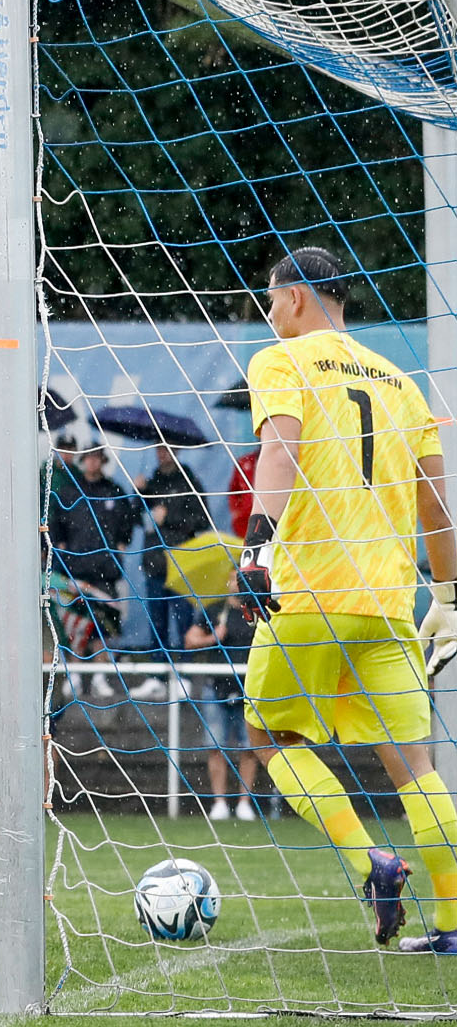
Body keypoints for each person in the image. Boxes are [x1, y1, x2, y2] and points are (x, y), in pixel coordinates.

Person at [230, 246, 457, 952]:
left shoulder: (282, 360)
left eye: (270, 303)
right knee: (414, 764)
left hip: (307, 593)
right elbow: (436, 508)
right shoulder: (401, 381)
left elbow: (281, 451)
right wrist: (448, 598)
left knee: (268, 739)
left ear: (294, 297)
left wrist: (255, 548)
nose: (269, 318)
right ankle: (452, 922)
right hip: (388, 602)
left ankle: (371, 863)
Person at [48, 443, 141, 699]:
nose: (92, 463)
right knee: (73, 626)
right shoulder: (68, 493)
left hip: (105, 574)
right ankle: (74, 675)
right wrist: (66, 556)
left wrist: (117, 552)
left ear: (103, 461)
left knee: (104, 626)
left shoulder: (114, 491)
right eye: (87, 458)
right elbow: (57, 531)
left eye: (96, 458)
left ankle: (100, 676)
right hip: (74, 572)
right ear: (83, 461)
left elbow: (126, 531)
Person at [136, 440, 212, 674]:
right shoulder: (151, 483)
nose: (162, 454)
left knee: (184, 621)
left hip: (181, 565)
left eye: (167, 449)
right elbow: (135, 518)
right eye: (158, 449)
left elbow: (202, 521)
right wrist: (137, 492)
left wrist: (168, 518)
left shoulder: (189, 482)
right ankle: (157, 675)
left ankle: (186, 674)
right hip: (155, 563)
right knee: (157, 623)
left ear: (177, 450)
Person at [179, 601, 256, 822]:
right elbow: (189, 640)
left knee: (250, 748)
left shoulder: (257, 611)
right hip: (216, 687)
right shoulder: (214, 611)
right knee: (215, 746)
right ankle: (219, 802)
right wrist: (213, 638)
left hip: (249, 688)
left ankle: (244, 803)